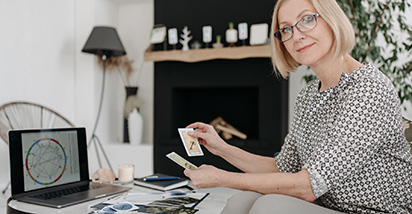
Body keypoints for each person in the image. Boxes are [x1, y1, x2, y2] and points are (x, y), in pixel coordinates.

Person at [183, 0, 412, 213]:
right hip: (331, 206)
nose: (297, 35)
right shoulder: (309, 95)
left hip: (372, 211)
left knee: (270, 206)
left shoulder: (368, 89)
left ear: (331, 20)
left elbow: (308, 186)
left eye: (306, 20)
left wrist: (222, 178)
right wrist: (221, 147)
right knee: (240, 201)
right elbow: (284, 168)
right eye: (286, 29)